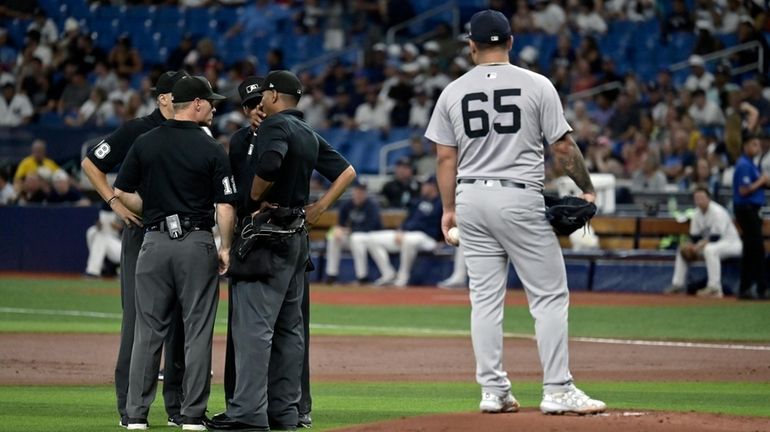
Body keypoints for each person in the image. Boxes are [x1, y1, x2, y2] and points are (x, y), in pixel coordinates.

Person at [427, 10, 606, 415]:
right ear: (510, 42)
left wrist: (449, 208)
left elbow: (443, 157)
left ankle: (493, 391)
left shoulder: (452, 91)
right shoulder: (536, 84)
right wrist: (587, 188)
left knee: (485, 300)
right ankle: (558, 389)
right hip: (518, 194)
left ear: (471, 45)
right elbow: (562, 148)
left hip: (470, 196)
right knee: (548, 296)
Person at [206, 70, 355, 432]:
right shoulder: (302, 130)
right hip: (295, 236)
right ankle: (285, 413)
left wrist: (252, 198)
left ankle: (247, 413)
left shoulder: (276, 128)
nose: (259, 107)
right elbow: (347, 172)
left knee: (254, 329)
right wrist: (317, 209)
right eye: (251, 104)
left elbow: (270, 165)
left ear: (272, 97)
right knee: (290, 330)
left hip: (266, 237)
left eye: (263, 99)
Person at [114, 75, 236, 431]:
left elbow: (121, 190)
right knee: (197, 331)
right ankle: (191, 415)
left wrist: (153, 209)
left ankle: (136, 414)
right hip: (196, 242)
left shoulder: (146, 142)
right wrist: (225, 247)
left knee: (148, 331)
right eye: (210, 101)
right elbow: (225, 206)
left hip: (152, 243)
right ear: (196, 103)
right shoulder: (212, 147)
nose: (214, 106)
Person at [80, 70, 190, 428]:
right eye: (180, 94)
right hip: (142, 234)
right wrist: (114, 201)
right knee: (137, 322)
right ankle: (130, 409)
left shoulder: (196, 132)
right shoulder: (136, 130)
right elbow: (91, 162)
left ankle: (177, 407)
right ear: (162, 98)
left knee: (180, 325)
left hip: (183, 236)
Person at [357, 176, 443, 287]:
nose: (423, 187)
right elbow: (408, 219)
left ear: (433, 186)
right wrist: (400, 230)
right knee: (371, 238)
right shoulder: (418, 201)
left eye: (425, 185)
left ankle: (403, 278)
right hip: (407, 234)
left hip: (427, 238)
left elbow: (442, 223)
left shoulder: (440, 203)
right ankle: (388, 273)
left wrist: (443, 240)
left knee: (409, 240)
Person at [664, 187, 742, 298]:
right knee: (682, 249)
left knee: (710, 249)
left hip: (731, 244)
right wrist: (691, 246)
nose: (699, 200)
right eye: (697, 198)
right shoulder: (696, 214)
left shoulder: (717, 211)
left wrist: (697, 246)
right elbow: (694, 237)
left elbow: (715, 237)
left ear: (709, 198)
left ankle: (714, 288)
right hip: (711, 246)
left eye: (702, 197)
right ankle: (678, 285)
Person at [732, 135, 769, 300]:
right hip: (746, 209)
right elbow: (744, 190)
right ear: (745, 145)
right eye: (754, 144)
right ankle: (762, 288)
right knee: (757, 249)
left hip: (749, 209)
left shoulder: (750, 164)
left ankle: (745, 288)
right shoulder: (744, 165)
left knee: (750, 249)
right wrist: (761, 181)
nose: (757, 148)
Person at [325, 181, 382, 284]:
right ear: (353, 192)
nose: (359, 194)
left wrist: (350, 230)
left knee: (357, 238)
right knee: (333, 238)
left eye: (362, 191)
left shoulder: (372, 205)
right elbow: (341, 224)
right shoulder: (347, 205)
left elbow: (371, 226)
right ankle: (331, 275)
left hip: (368, 238)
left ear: (365, 193)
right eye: (357, 191)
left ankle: (362, 276)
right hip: (350, 236)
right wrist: (338, 230)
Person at [84, 209, 123, 277]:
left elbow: (124, 231)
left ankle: (93, 271)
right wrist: (100, 225)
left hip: (123, 249)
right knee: (92, 232)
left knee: (101, 237)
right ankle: (96, 269)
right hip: (110, 246)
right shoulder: (103, 215)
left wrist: (116, 226)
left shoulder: (122, 212)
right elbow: (97, 228)